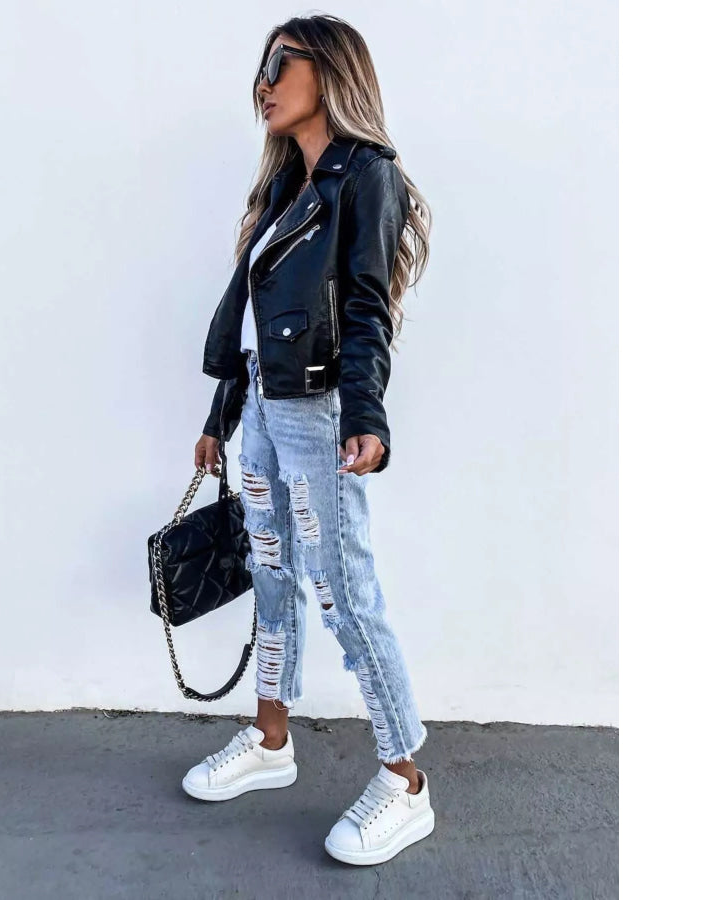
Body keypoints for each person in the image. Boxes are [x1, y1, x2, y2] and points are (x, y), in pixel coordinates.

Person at [187, 14, 433, 866]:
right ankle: (270, 738)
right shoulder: (284, 188)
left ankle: (405, 781)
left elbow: (367, 307)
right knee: (271, 570)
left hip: (320, 411)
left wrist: (367, 414)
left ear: (328, 71)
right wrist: (221, 417)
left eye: (279, 63)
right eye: (261, 67)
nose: (263, 82)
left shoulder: (366, 174)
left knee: (341, 588)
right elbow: (256, 321)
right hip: (263, 404)